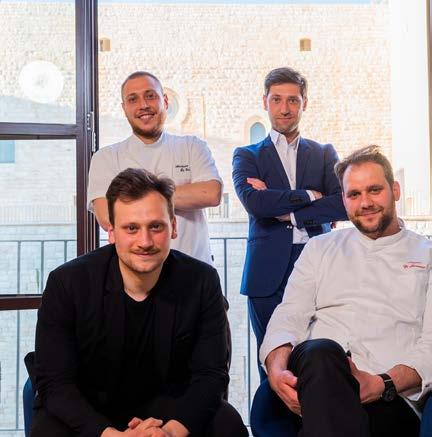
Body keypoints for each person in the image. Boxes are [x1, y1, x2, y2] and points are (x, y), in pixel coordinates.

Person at [30, 168, 248, 437]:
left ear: (173, 227)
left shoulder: (202, 281)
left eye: (155, 227)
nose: (144, 242)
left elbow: (211, 374)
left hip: (170, 409)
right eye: (131, 228)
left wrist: (170, 432)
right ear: (112, 232)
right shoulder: (67, 283)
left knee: (227, 424)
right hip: (91, 408)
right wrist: (111, 435)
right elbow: (55, 382)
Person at [256, 145, 432, 437]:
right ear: (344, 200)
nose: (366, 202)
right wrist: (275, 371)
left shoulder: (427, 254)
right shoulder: (319, 248)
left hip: (388, 396)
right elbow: (289, 316)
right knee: (322, 352)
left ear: (395, 190)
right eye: (354, 194)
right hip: (312, 382)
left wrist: (382, 383)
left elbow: (431, 345)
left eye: (374, 190)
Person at [232, 67, 347, 379]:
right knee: (272, 366)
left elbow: (341, 204)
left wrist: (288, 211)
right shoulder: (247, 155)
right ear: (265, 102)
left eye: (293, 100)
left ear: (304, 103)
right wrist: (309, 195)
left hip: (319, 266)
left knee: (321, 361)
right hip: (267, 274)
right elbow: (256, 204)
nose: (285, 108)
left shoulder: (324, 153)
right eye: (277, 99)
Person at [88, 71, 222, 265]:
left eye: (150, 96)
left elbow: (211, 194)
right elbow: (107, 217)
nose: (143, 105)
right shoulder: (106, 158)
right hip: (135, 274)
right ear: (124, 108)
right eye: (133, 99)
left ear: (165, 102)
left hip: (194, 271)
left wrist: (130, 200)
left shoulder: (192, 146)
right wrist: (180, 195)